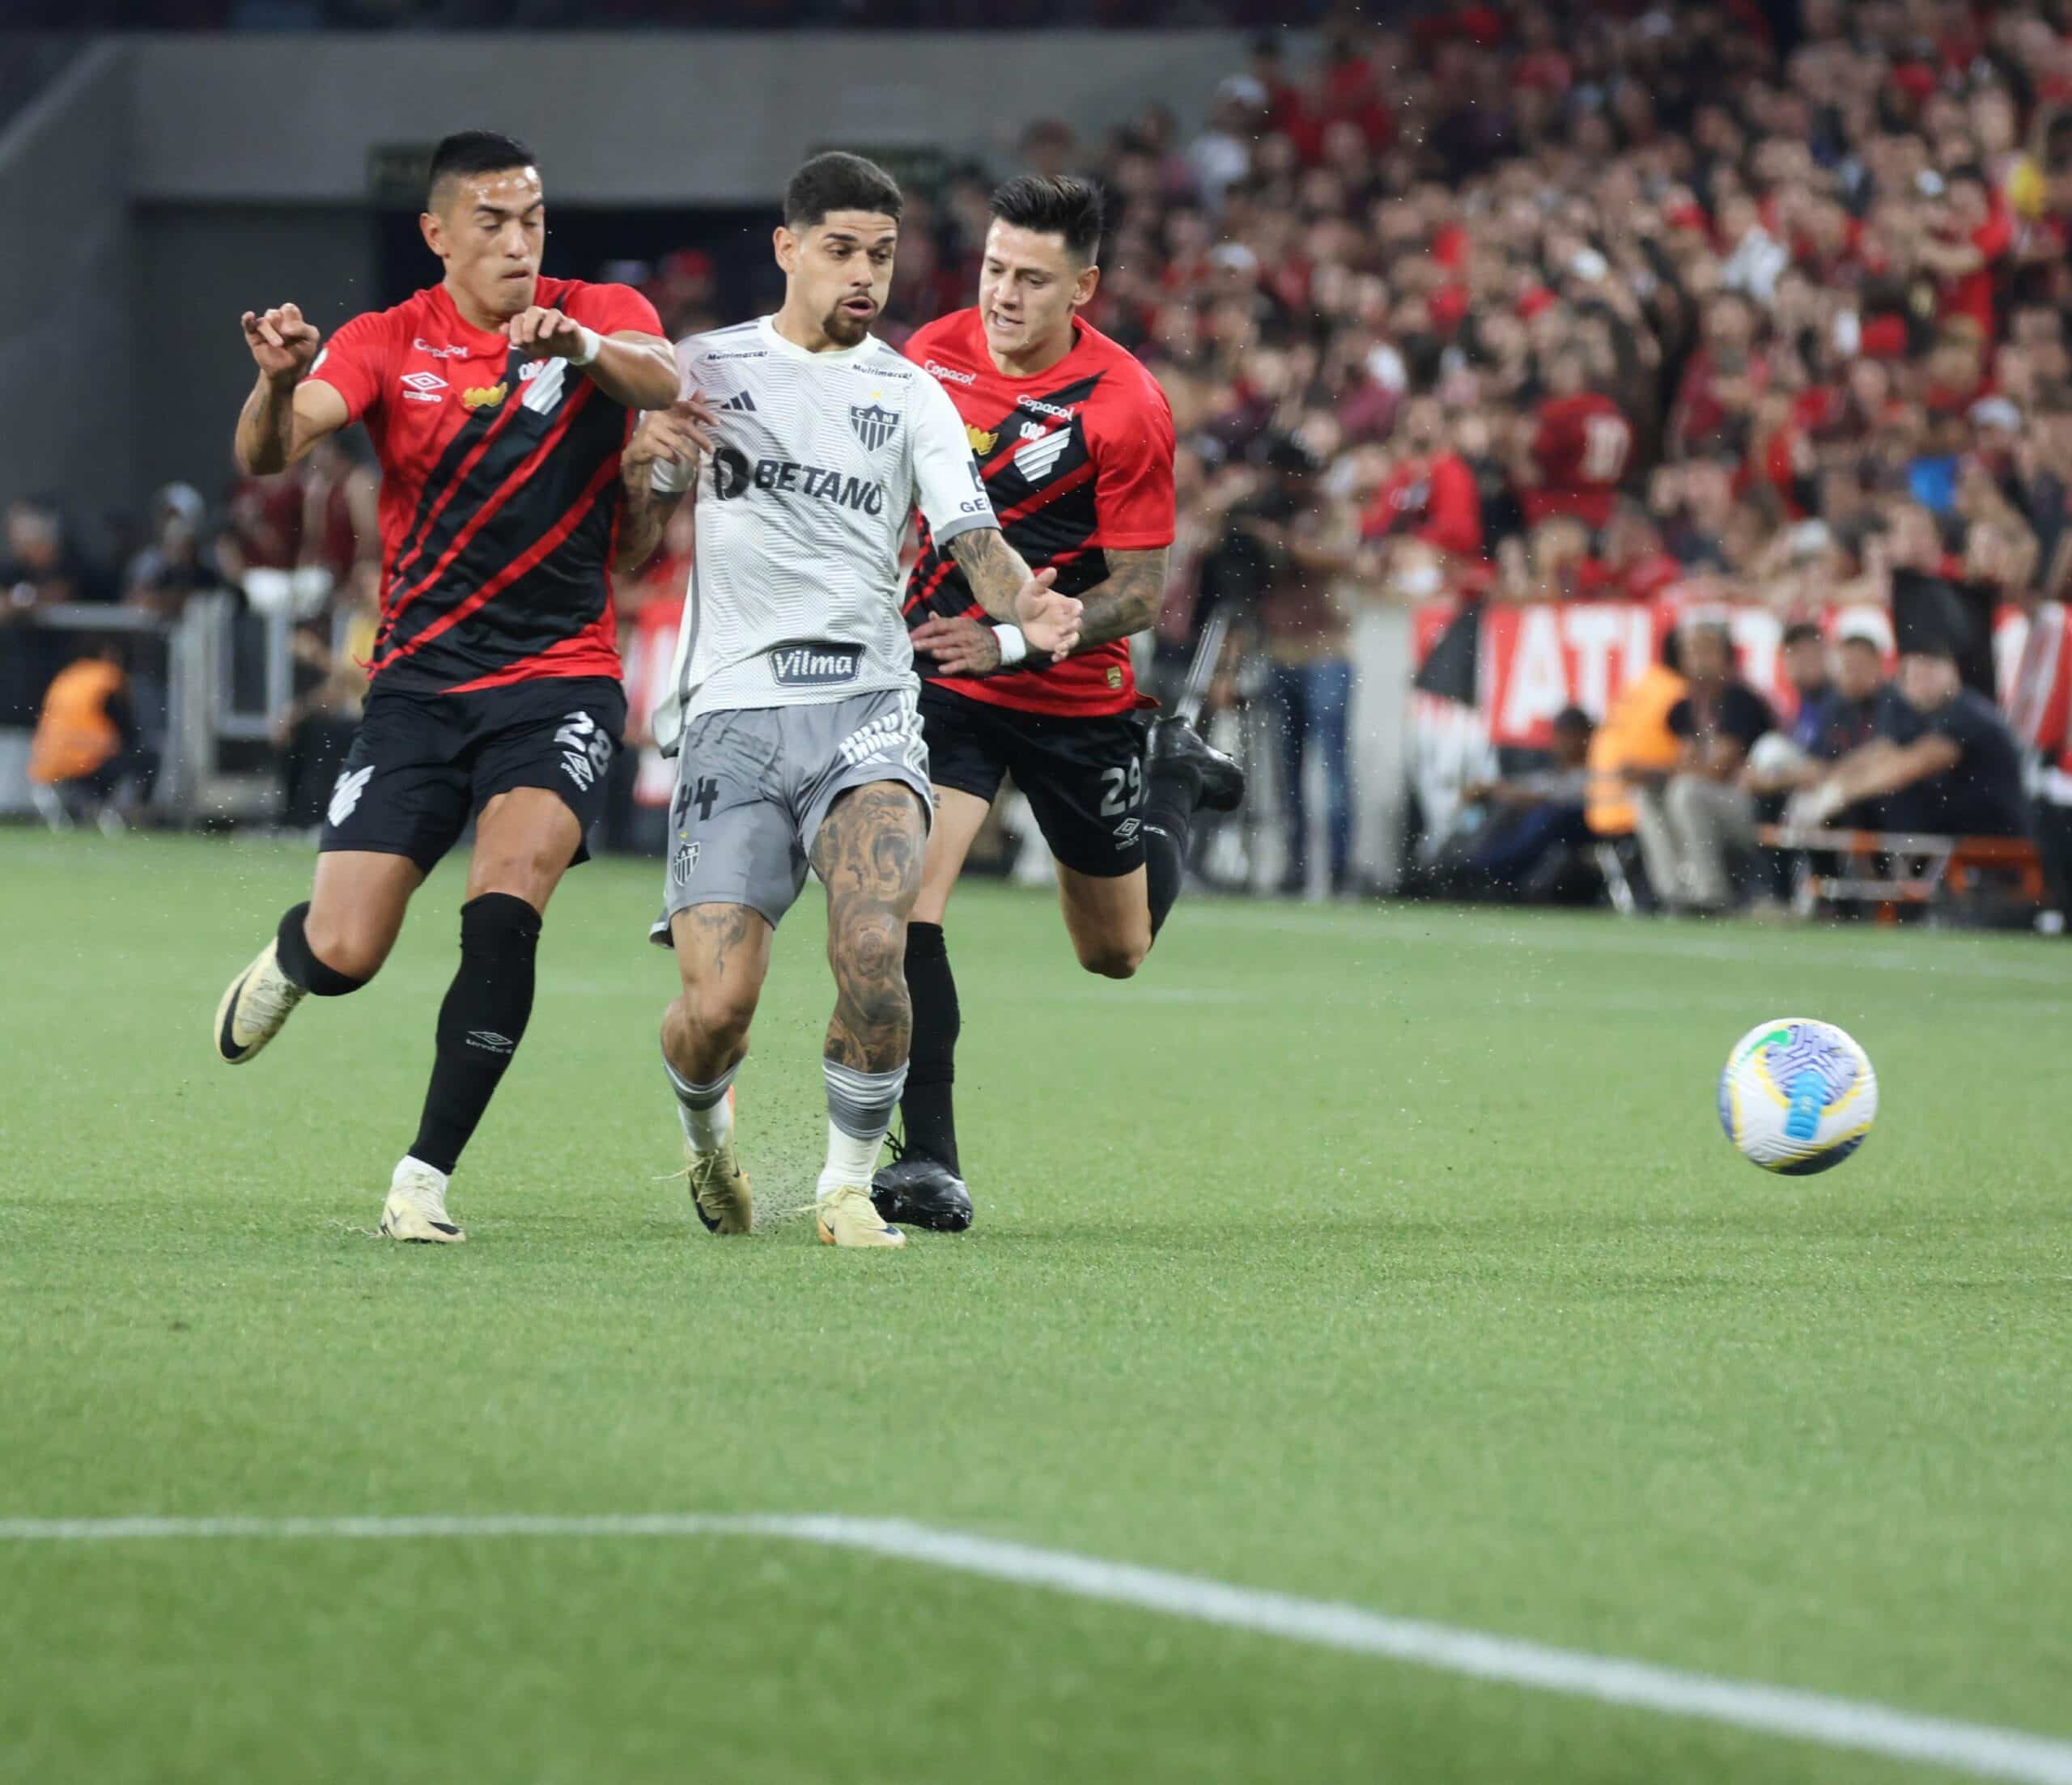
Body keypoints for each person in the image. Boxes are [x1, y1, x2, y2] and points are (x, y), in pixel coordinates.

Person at [209, 130, 682, 1244]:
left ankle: (424, 1176)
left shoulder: (596, 309)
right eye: (493, 222)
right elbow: (267, 452)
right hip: (419, 685)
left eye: (533, 220)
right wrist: (276, 385)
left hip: (560, 679)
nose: (521, 243)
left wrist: (582, 344)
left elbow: (660, 377)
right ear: (437, 234)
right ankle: (295, 953)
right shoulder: (387, 341)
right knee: (350, 950)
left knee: (505, 908)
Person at [615, 152, 1083, 1250]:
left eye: (882, 253)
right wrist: (648, 464)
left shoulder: (909, 391)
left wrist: (1029, 611)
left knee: (876, 947)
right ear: (787, 249)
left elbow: (974, 540)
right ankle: (705, 1141)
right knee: (716, 1009)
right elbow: (634, 550)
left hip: (869, 712)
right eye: (841, 250)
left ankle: (844, 1187)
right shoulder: (705, 370)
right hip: (733, 718)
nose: (864, 274)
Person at [867, 173, 1242, 1234]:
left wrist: (1019, 633)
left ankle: (1171, 768)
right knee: (904, 900)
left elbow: (1137, 590)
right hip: (947, 676)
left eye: (1032, 279)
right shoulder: (928, 358)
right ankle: (927, 1160)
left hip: (1078, 693)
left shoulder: (1126, 403)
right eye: (994, 269)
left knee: (1114, 951)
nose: (1004, 295)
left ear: (1083, 284)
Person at [1794, 636, 2030, 839]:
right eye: (1911, 673)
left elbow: (1911, 765)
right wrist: (1830, 780)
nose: (1919, 680)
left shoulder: (1965, 713)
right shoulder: (1923, 715)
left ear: (1951, 671)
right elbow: (1882, 752)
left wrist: (1838, 794)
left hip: (1994, 834)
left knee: (1897, 798)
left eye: (1928, 670)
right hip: (1961, 832)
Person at [1633, 621, 1776, 914]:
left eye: (1707, 650)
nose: (1698, 659)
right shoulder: (1687, 707)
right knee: (1646, 794)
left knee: (1686, 791)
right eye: (1691, 651)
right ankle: (1672, 890)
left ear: (1727, 657)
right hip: (1711, 800)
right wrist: (1655, 774)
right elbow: (1686, 761)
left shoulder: (1740, 700)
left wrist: (1665, 772)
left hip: (1751, 806)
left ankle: (1710, 891)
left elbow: (1717, 770)